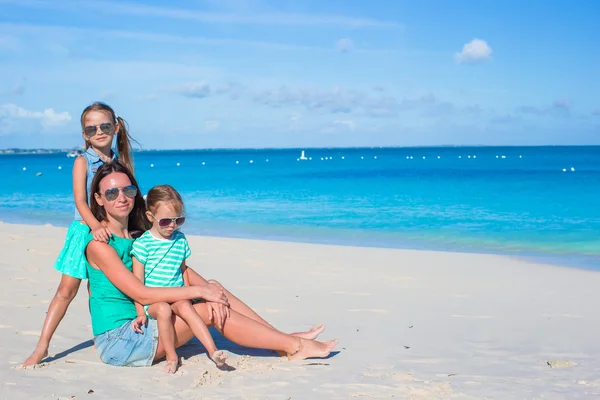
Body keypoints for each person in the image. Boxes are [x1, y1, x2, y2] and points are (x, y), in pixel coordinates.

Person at [85, 161, 338, 368]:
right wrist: (199, 293)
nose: (121, 197)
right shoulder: (100, 245)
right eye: (111, 192)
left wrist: (210, 290)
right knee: (205, 309)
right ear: (98, 199)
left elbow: (183, 270)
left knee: (215, 289)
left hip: (150, 322)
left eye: (127, 190)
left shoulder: (138, 236)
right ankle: (295, 347)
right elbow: (140, 293)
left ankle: (280, 338)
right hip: (122, 339)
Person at [23, 102, 138, 367]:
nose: (99, 132)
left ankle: (105, 333)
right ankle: (42, 346)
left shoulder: (119, 163)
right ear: (85, 134)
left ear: (116, 128)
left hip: (111, 232)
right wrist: (95, 227)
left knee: (99, 290)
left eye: (105, 126)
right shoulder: (82, 161)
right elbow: (80, 200)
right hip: (85, 230)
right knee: (66, 291)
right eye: (92, 128)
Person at [131, 184, 228, 373]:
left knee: (185, 306)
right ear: (150, 217)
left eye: (179, 220)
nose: (172, 226)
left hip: (178, 294)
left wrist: (188, 293)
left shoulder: (180, 240)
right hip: (153, 300)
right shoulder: (142, 245)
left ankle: (213, 350)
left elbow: (182, 270)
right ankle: (171, 356)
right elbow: (137, 284)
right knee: (164, 309)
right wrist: (140, 313)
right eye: (166, 221)